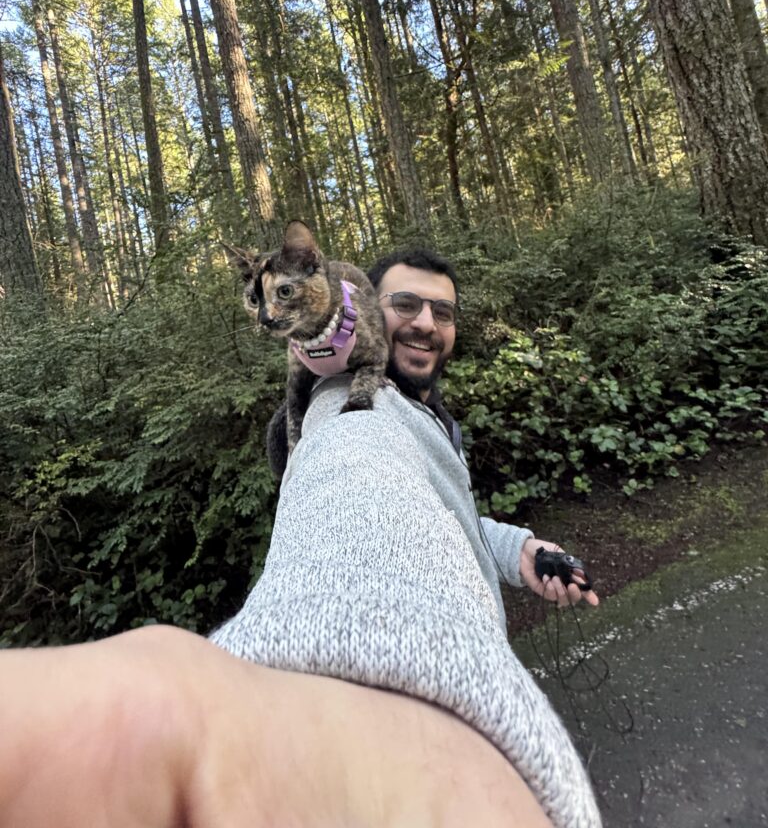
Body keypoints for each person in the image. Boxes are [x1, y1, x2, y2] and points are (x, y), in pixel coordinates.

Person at [0, 247, 601, 828]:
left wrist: (517, 550)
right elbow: (356, 478)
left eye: (441, 312)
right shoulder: (346, 407)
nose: (425, 322)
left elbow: (452, 516)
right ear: (362, 308)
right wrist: (376, 669)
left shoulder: (435, 417)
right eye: (406, 304)